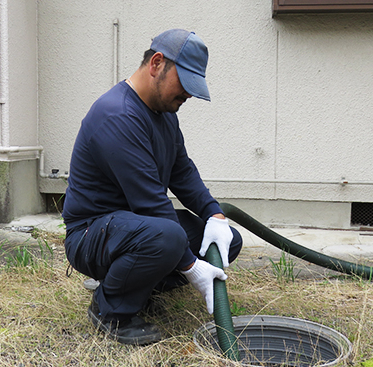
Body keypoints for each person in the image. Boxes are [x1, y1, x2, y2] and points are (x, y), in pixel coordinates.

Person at [62, 29, 242, 345]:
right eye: (184, 84)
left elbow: (182, 172)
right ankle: (110, 310)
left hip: (133, 228)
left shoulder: (163, 113)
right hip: (91, 235)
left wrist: (214, 215)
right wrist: (191, 268)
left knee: (223, 241)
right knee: (170, 237)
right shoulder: (117, 115)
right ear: (156, 63)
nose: (188, 95)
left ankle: (134, 287)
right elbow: (150, 202)